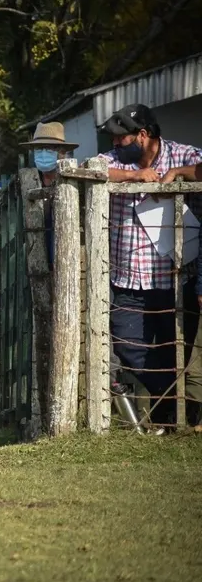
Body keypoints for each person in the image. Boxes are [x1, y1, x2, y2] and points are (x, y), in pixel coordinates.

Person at [98, 103, 202, 433]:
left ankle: (169, 423)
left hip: (176, 280)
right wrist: (134, 176)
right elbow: (89, 170)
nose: (115, 144)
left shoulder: (181, 154)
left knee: (175, 353)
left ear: (143, 135)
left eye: (121, 138)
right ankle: (177, 408)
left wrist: (178, 174)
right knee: (129, 348)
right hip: (128, 282)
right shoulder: (114, 161)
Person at [18, 121, 79, 267]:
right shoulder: (27, 182)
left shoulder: (74, 182)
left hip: (67, 259)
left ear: (62, 152)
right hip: (35, 260)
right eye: (39, 149)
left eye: (50, 149)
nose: (43, 154)